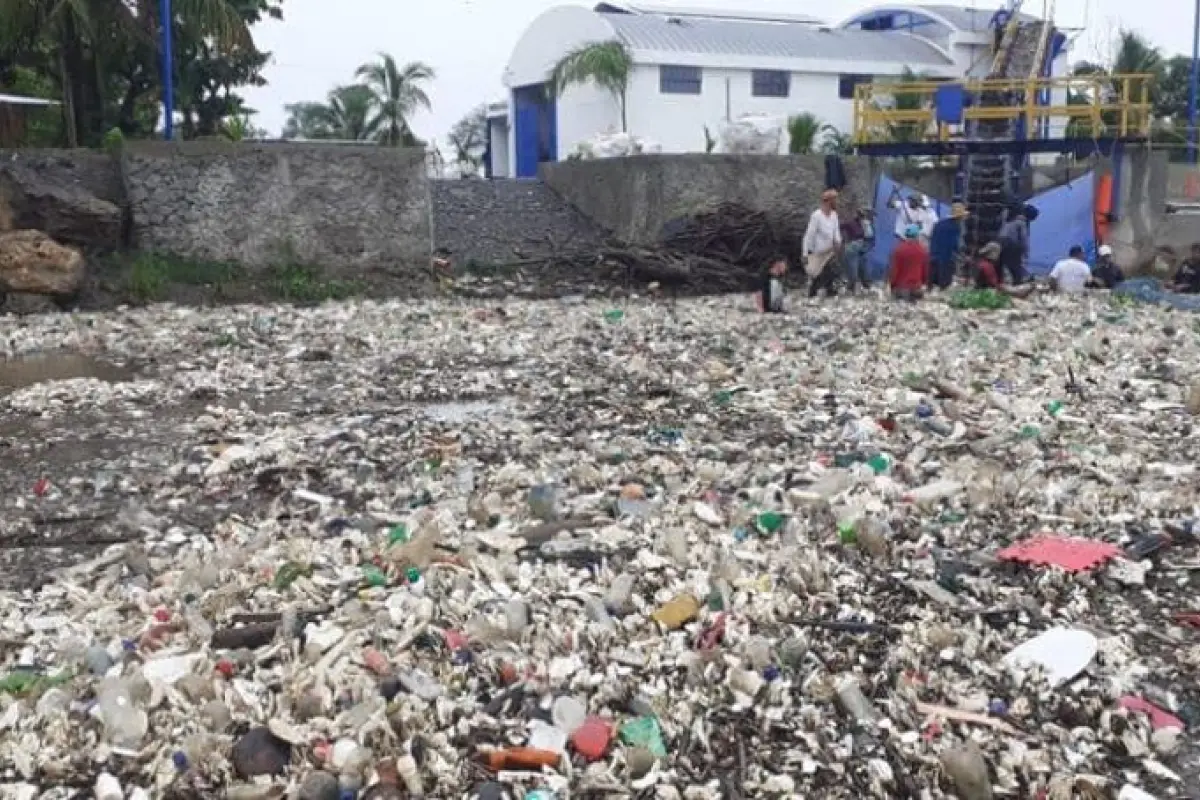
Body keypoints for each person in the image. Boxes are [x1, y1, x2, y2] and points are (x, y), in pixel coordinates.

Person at [803, 188, 842, 298]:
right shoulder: (816, 216)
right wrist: (805, 253)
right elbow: (809, 235)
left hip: (829, 250)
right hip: (817, 252)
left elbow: (836, 231)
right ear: (828, 201)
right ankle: (813, 292)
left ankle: (829, 290)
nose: (837, 202)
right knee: (817, 273)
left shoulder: (834, 215)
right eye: (834, 200)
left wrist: (838, 241)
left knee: (832, 270)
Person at [928, 202, 968, 289]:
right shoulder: (955, 227)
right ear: (959, 217)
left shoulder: (939, 224)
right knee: (943, 285)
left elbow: (932, 238)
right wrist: (961, 255)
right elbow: (954, 244)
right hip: (945, 259)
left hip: (933, 256)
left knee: (933, 284)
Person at [889, 224, 928, 300]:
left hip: (901, 289)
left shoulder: (898, 250)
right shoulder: (922, 251)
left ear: (906, 235)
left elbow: (894, 271)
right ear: (917, 236)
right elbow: (925, 272)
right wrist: (923, 284)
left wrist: (892, 286)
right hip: (917, 290)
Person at [841, 208, 872, 292]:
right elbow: (869, 236)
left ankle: (852, 285)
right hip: (863, 245)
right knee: (861, 264)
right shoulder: (867, 223)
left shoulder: (850, 222)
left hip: (853, 245)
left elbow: (840, 226)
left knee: (851, 264)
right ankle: (866, 284)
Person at [996, 206, 1030, 284]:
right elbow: (1023, 239)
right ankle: (1017, 285)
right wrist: (1026, 252)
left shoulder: (1009, 221)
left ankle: (1000, 284)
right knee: (1016, 268)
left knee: (1002, 266)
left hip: (1001, 242)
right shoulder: (1021, 223)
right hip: (1012, 245)